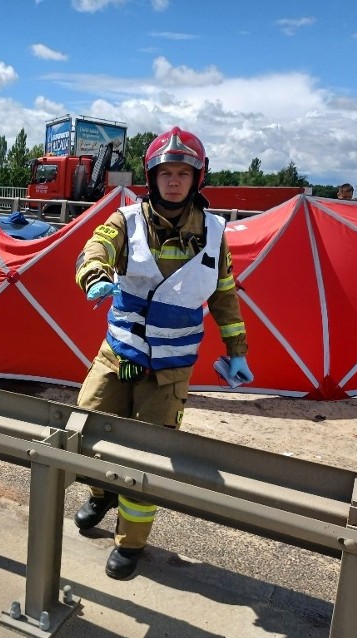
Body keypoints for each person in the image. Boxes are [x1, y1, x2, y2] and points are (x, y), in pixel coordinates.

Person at [72, 127, 253, 580]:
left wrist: (237, 349)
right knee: (88, 425)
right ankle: (100, 492)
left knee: (147, 454)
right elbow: (94, 247)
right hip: (124, 358)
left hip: (167, 372)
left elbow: (225, 296)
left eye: (183, 172)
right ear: (152, 178)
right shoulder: (127, 220)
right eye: (165, 172)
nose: (173, 181)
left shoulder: (214, 234)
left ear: (197, 178)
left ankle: (130, 544)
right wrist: (94, 273)